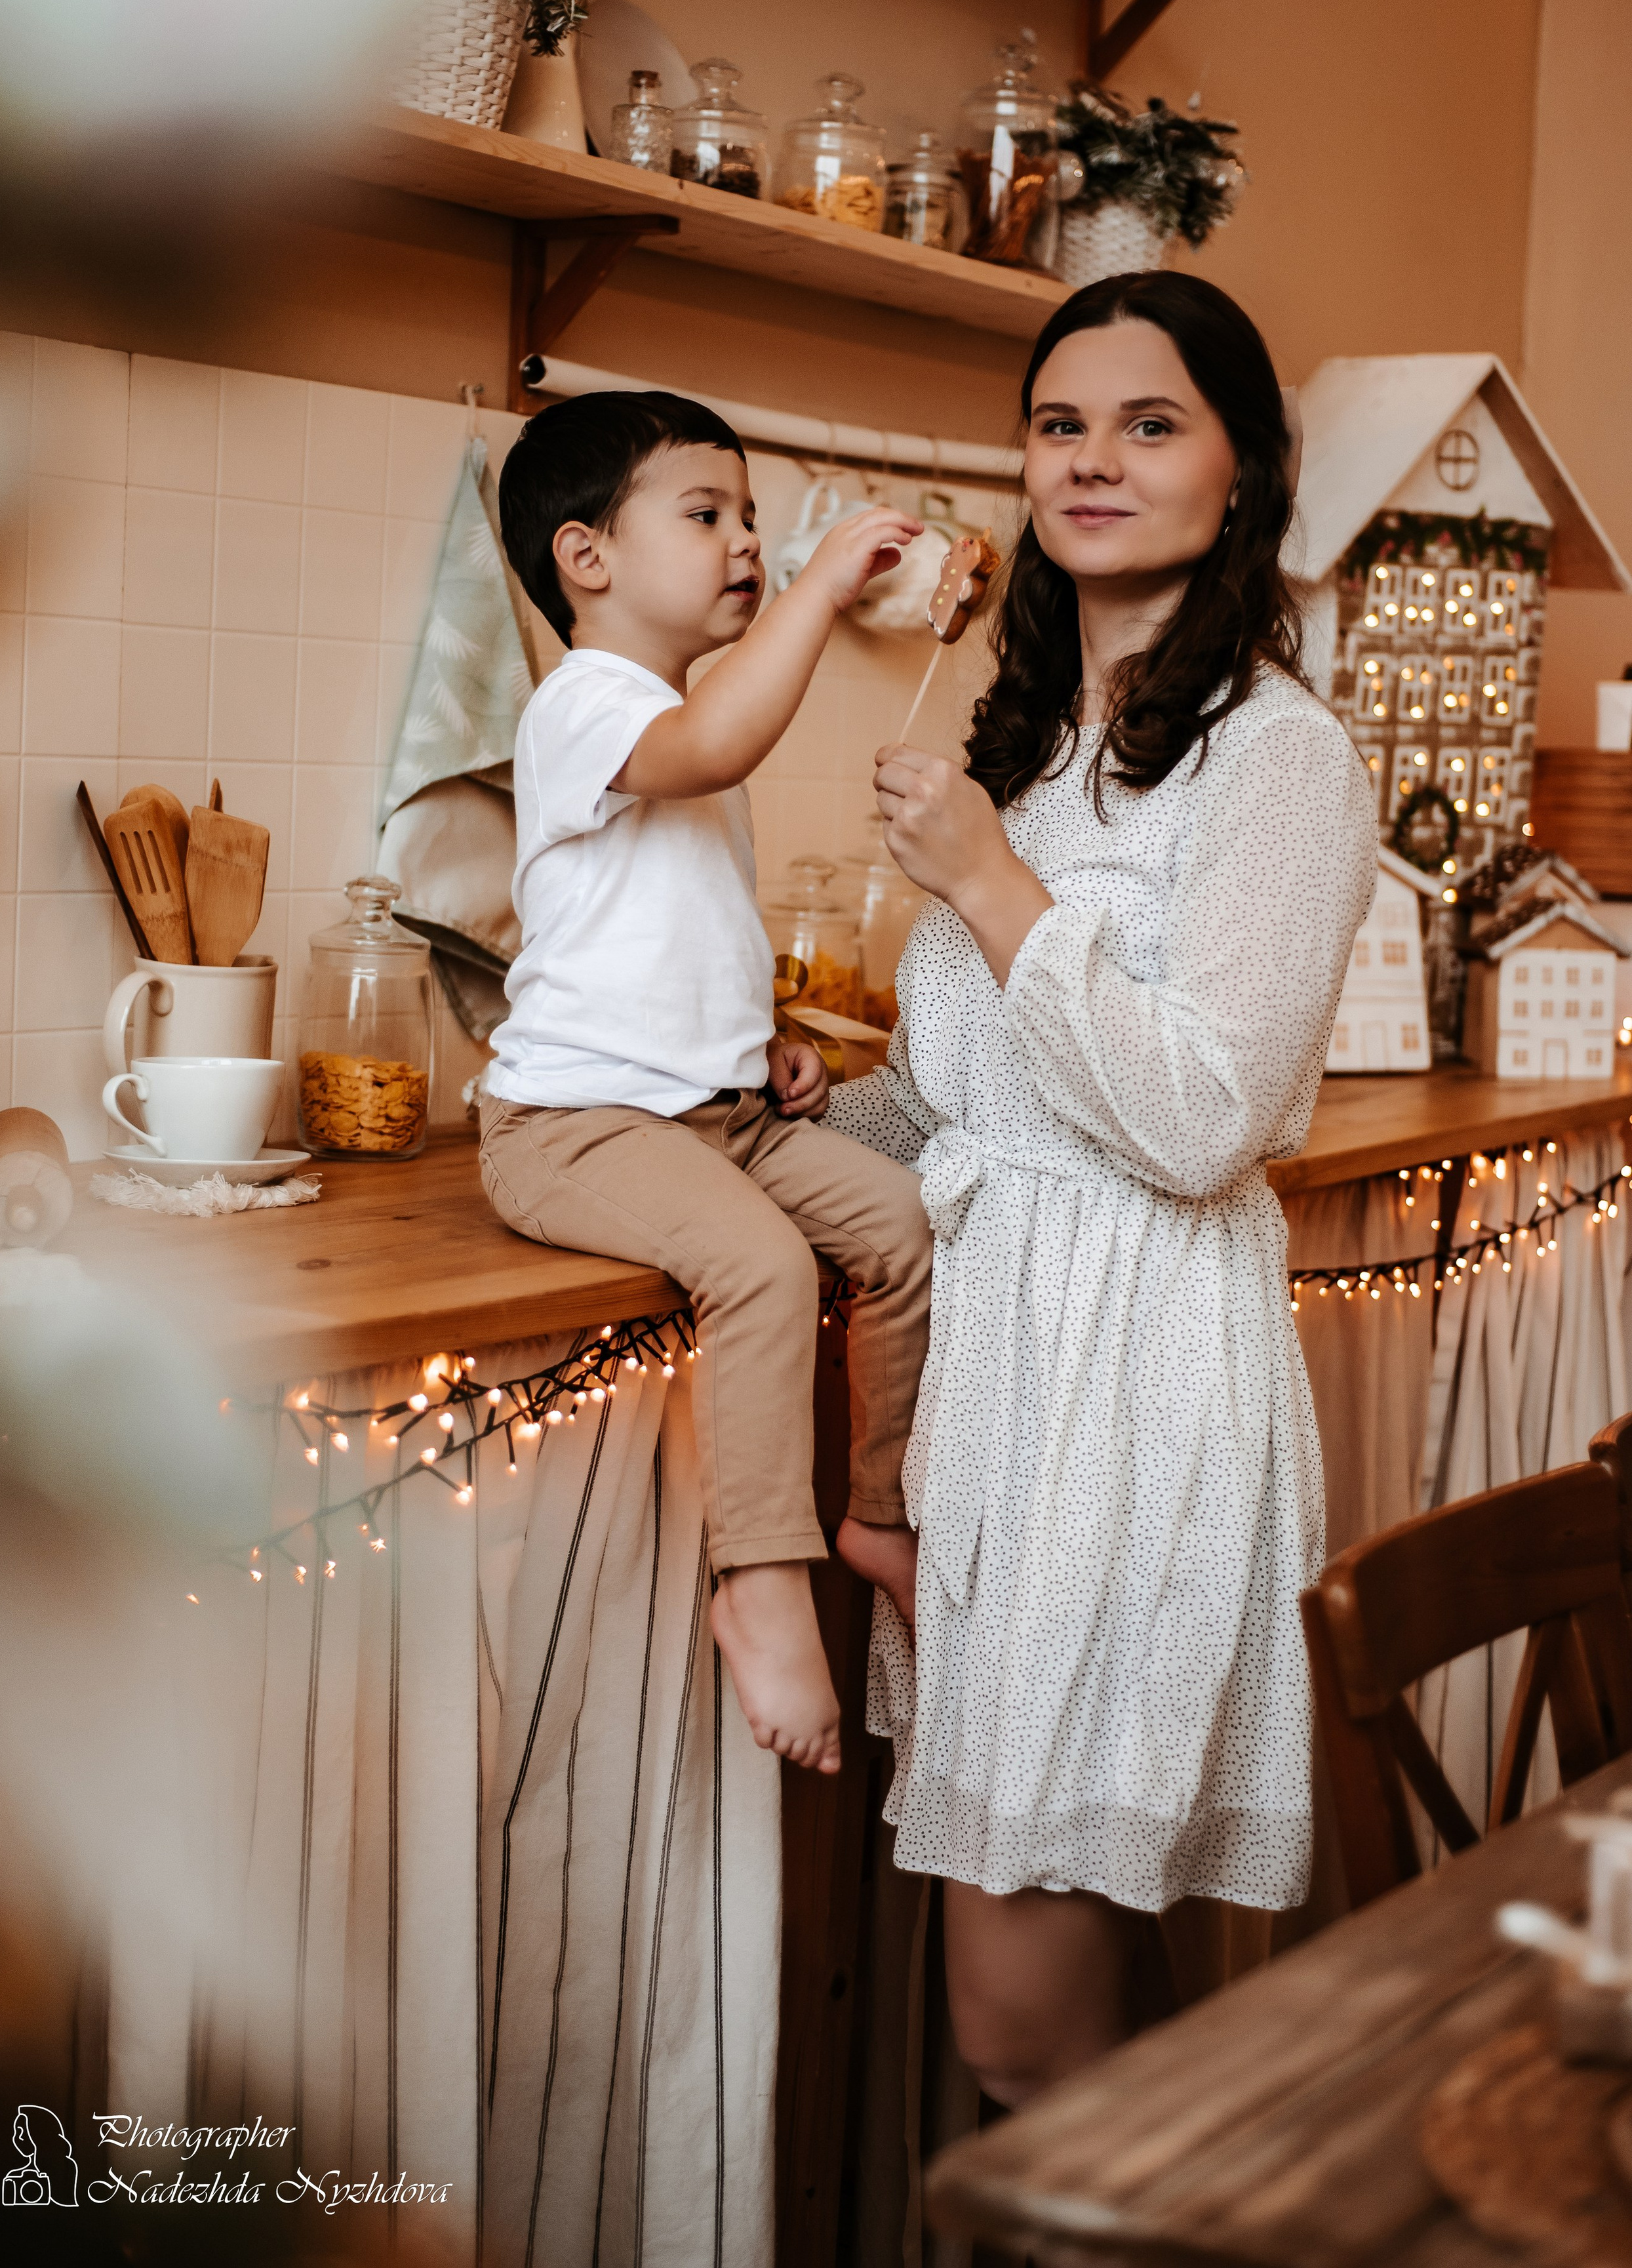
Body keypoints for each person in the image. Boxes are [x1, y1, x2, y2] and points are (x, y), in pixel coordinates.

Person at [822, 272, 1378, 2103]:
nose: (1092, 460)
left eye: (1151, 423)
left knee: (1014, 2011)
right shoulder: (1040, 744)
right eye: (1062, 423)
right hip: (1004, 1393)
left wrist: (984, 884)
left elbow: (1204, 1116)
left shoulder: (1281, 757)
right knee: (1071, 1987)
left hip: (1135, 1389)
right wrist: (821, 1105)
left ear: (1244, 468)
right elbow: (983, 1090)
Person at [481, 391, 933, 1777]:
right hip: (571, 1129)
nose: (742, 542)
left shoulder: (676, 713)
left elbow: (667, 932)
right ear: (585, 557)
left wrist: (767, 1034)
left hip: (717, 1114)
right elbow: (720, 744)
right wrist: (817, 581)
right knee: (758, 1267)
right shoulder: (582, 706)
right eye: (707, 514)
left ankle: (875, 1515)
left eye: (749, 518)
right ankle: (760, 1580)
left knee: (910, 1225)